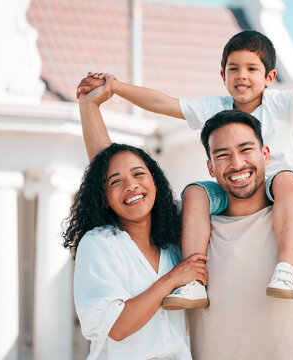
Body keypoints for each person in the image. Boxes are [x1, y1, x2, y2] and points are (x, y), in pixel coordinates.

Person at [78, 42, 293, 359]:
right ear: (210, 167)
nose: (236, 163)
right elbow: (121, 184)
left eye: (246, 150)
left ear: (266, 153)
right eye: (222, 154)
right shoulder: (194, 227)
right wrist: (91, 107)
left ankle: (284, 267)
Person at [63, 85, 209, 359]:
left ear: (155, 182)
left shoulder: (173, 242)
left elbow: (109, 165)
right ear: (104, 197)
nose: (131, 186)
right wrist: (173, 279)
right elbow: (117, 327)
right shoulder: (100, 244)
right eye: (115, 182)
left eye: (139, 174)